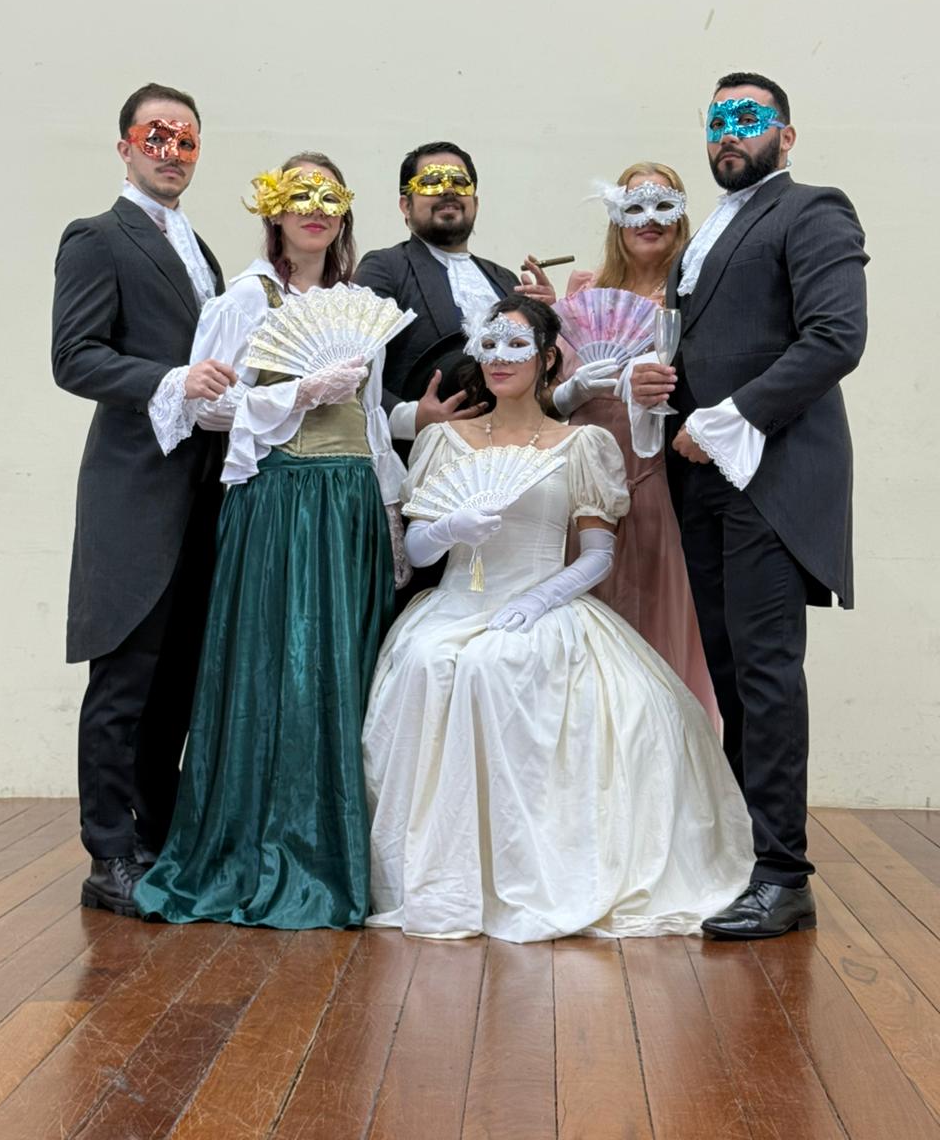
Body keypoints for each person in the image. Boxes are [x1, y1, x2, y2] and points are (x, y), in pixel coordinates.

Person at [362, 296, 753, 942]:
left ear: (547, 359)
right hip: (454, 602)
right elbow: (421, 549)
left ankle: (527, 866)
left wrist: (538, 601)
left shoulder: (581, 445)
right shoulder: (442, 440)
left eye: (516, 345)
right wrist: (452, 527)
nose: (499, 359)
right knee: (428, 663)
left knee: (497, 665)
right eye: (489, 344)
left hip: (541, 600)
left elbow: (598, 554)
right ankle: (440, 875)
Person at [134, 153, 405, 929]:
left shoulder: (360, 307)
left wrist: (391, 512)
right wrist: (297, 392)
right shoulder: (245, 300)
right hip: (281, 502)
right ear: (275, 211)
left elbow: (372, 419)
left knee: (345, 671)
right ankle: (269, 846)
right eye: (299, 195)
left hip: (351, 503)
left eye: (328, 196)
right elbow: (204, 409)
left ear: (344, 213)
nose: (314, 209)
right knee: (280, 668)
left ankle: (347, 851)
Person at [629, 72, 868, 939]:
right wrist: (658, 385)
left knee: (766, 675)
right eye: (716, 120)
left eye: (748, 117)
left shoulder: (812, 210)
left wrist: (727, 418)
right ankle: (745, 856)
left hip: (770, 474)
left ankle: (783, 876)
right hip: (702, 479)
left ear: (785, 136)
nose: (729, 133)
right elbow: (705, 345)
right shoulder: (709, 233)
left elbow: (836, 337)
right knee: (730, 671)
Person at [52, 82, 233, 917]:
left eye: (185, 140)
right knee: (123, 681)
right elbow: (75, 357)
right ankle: (108, 855)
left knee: (178, 683)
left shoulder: (204, 250)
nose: (171, 152)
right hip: (133, 492)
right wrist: (173, 379)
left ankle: (156, 842)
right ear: (125, 146)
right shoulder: (97, 237)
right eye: (156, 136)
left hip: (203, 493)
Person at [547, 163, 717, 724]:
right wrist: (570, 383)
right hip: (584, 483)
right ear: (616, 217)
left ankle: (667, 757)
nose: (649, 220)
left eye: (663, 206)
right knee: (586, 628)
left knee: (663, 623)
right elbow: (547, 400)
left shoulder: (696, 296)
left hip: (662, 478)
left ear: (681, 217)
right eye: (634, 207)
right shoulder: (585, 293)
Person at [355, 141, 555, 445]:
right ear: (405, 205)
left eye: (460, 182)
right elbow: (354, 368)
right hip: (420, 451)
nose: (448, 190)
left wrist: (550, 319)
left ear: (475, 202)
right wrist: (411, 418)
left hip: (510, 449)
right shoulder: (385, 267)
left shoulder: (505, 279)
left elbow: (532, 372)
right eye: (431, 182)